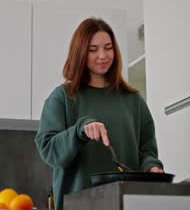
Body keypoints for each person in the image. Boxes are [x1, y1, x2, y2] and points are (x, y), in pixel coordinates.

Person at [34, 18, 164, 210]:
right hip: (78, 206)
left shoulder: (134, 101)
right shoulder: (62, 98)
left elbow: (147, 152)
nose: (102, 55)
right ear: (80, 53)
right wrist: (80, 130)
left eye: (108, 47)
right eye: (93, 50)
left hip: (127, 204)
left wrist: (151, 167)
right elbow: (50, 152)